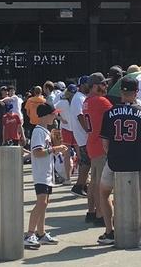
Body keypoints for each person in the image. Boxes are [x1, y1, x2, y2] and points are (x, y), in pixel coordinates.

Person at [97, 76, 141, 245]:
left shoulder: (109, 113)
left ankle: (109, 231)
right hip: (139, 161)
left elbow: (105, 143)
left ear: (121, 92)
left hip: (115, 160)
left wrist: (114, 154)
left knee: (104, 193)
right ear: (136, 92)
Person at [23, 102, 68, 249]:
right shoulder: (38, 132)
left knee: (44, 203)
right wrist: (54, 149)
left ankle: (41, 233)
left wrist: (55, 149)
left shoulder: (45, 131)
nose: (55, 116)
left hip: (47, 173)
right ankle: (30, 234)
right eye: (53, 114)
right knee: (41, 202)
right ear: (45, 116)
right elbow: (37, 152)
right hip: (41, 173)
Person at [83, 72, 113, 228]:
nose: (106, 86)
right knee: (101, 183)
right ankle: (101, 214)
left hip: (91, 143)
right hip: (100, 145)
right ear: (95, 86)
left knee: (94, 181)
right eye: (103, 84)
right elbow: (115, 115)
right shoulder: (101, 101)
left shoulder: (87, 101)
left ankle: (92, 212)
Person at [69, 76, 93, 205]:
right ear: (82, 85)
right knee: (86, 162)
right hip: (83, 135)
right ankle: (78, 186)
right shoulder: (79, 98)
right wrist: (89, 130)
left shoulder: (80, 97)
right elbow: (80, 116)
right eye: (87, 84)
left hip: (82, 135)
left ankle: (82, 185)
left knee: (86, 161)